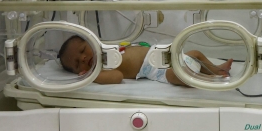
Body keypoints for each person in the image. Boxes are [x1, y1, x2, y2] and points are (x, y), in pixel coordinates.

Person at [58, 35, 232, 86]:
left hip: (164, 53)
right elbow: (117, 77)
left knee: (194, 53)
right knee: (175, 75)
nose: (83, 58)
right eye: (77, 64)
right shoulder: (101, 69)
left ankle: (215, 68)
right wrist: (92, 75)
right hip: (157, 70)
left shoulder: (106, 47)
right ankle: (209, 79)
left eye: (82, 50)